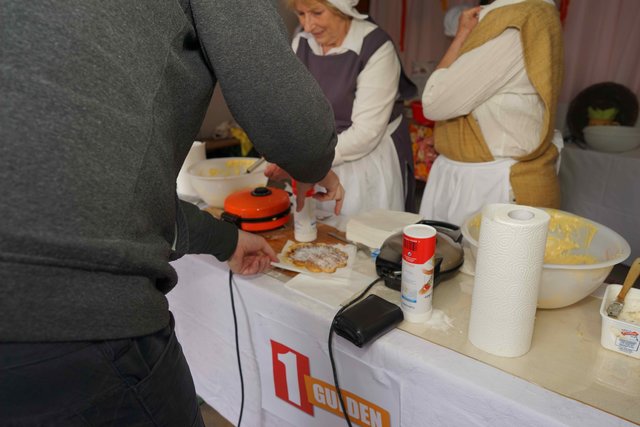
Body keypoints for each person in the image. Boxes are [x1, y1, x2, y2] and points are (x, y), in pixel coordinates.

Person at [0, 1, 344, 425]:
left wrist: (225, 240)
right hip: (76, 319)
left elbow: (92, 190)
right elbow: (299, 132)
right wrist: (315, 165)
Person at [419, 0, 564, 227]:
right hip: (481, 175)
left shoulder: (517, 22)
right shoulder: (531, 16)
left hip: (490, 183)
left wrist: (461, 36)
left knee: (477, 248)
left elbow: (434, 101)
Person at [267, 0, 418, 217]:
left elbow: (365, 133)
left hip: (363, 160)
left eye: (317, 13)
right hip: (317, 158)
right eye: (301, 14)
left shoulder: (375, 47)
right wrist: (289, 152)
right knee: (315, 229)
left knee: (358, 229)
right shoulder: (302, 40)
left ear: (342, 9)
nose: (308, 25)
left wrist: (309, 161)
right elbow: (292, 105)